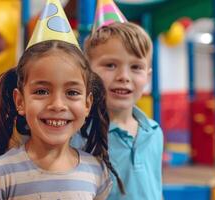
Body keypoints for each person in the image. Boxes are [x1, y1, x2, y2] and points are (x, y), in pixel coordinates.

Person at [0, 0, 123, 199]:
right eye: (42, 91)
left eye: (72, 93)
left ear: (87, 104)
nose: (57, 105)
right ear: (20, 101)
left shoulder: (96, 173)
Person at [72, 0, 164, 199]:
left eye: (136, 67)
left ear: (147, 77)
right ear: (87, 73)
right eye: (111, 65)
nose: (124, 76)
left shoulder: (154, 132)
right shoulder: (78, 135)